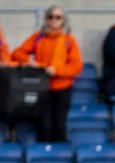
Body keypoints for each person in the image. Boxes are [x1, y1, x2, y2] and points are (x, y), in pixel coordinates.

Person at [10, 5, 83, 143]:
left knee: (59, 125)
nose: (54, 20)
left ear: (63, 20)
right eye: (51, 17)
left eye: (58, 17)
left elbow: (76, 66)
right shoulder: (37, 38)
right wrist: (28, 60)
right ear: (46, 19)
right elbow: (17, 53)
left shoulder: (69, 40)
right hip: (42, 88)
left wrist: (57, 71)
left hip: (62, 88)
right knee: (44, 125)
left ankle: (59, 157)